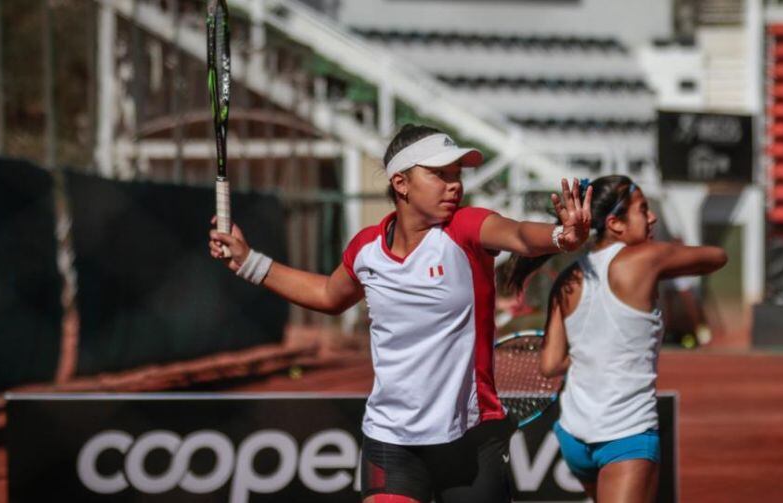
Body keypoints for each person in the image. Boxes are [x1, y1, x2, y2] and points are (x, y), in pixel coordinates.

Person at [209, 124, 593, 503]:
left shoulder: (465, 229)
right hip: (390, 440)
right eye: (439, 175)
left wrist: (561, 237)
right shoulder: (366, 249)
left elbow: (522, 235)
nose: (454, 185)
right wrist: (248, 262)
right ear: (401, 183)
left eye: (456, 175)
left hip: (471, 438)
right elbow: (328, 294)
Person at [505, 175, 727, 503]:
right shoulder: (648, 258)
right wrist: (667, 258)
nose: (651, 218)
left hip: (573, 435)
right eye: (643, 210)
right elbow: (717, 256)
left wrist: (593, 349)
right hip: (626, 435)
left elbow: (550, 364)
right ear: (615, 224)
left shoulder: (567, 278)